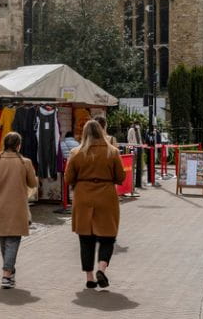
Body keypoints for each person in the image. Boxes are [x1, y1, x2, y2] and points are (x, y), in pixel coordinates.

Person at [64, 120, 127, 290]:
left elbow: (68, 178)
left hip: (83, 196)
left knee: (86, 238)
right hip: (106, 196)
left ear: (84, 134)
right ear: (101, 131)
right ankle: (101, 268)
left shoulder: (76, 153)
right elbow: (120, 177)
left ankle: (89, 277)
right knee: (108, 236)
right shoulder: (112, 152)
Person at [0, 132, 38, 290]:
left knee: (4, 240)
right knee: (13, 240)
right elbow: (33, 183)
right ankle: (6, 275)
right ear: (18, 146)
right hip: (17, 207)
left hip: (0, 205)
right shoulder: (25, 163)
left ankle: (10, 271)